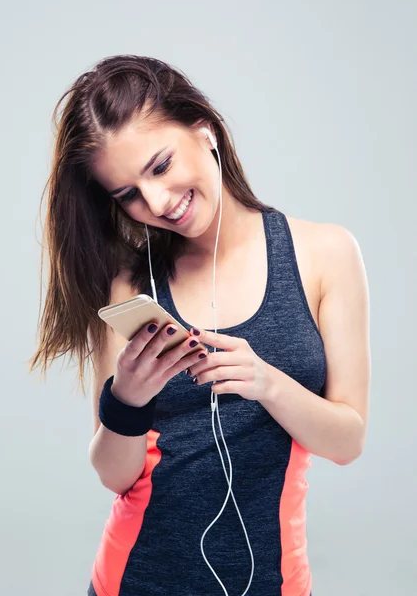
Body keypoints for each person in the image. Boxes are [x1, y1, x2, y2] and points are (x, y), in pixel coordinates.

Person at [29, 54, 370, 596]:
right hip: (135, 579)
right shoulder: (125, 287)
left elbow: (348, 440)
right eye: (128, 195)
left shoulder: (325, 254)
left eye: (160, 166)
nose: (158, 202)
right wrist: (127, 400)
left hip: (275, 582)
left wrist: (267, 383)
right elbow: (115, 476)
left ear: (203, 129)